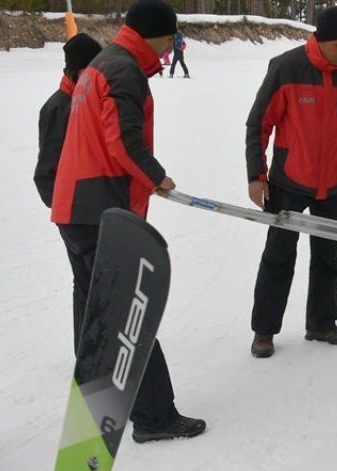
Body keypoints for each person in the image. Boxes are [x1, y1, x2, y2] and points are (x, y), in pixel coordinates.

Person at [50, 0, 205, 443]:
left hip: (77, 208)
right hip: (100, 210)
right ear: (159, 36)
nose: (170, 48)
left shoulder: (104, 62)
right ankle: (156, 418)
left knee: (97, 314)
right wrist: (158, 177)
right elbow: (123, 142)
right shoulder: (122, 70)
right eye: (171, 39)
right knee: (129, 317)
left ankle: (98, 403)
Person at [244, 5, 337, 359]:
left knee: (328, 256)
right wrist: (256, 176)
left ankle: (322, 323)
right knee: (278, 257)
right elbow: (258, 125)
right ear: (320, 40)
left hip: (336, 180)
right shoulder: (287, 67)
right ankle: (265, 331)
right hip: (290, 180)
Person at [35, 32, 103, 347]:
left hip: (91, 209)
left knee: (88, 284)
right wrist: (68, 212)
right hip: (76, 215)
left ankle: (87, 350)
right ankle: (90, 353)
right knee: (92, 284)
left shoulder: (84, 102)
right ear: (77, 72)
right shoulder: (59, 108)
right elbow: (46, 172)